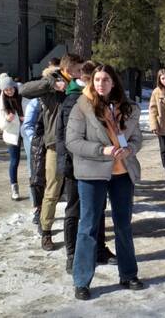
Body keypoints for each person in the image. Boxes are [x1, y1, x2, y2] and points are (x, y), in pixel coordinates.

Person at [66, 64, 144, 300]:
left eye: (106, 79)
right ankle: (82, 281)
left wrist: (130, 148)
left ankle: (128, 274)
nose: (101, 84)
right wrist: (103, 150)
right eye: (97, 80)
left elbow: (137, 137)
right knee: (88, 226)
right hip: (92, 173)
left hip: (122, 174)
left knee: (124, 224)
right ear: (92, 82)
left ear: (114, 82)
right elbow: (73, 142)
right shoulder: (82, 107)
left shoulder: (126, 107)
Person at [56, 60, 117, 274]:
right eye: (93, 79)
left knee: (97, 209)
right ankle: (72, 254)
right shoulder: (73, 100)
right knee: (74, 209)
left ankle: (99, 249)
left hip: (95, 165)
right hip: (74, 164)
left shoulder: (100, 102)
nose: (97, 84)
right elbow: (65, 137)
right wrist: (68, 164)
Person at [20, 53, 84, 251]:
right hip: (56, 145)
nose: (80, 72)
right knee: (53, 189)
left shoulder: (78, 85)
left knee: (77, 190)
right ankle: (46, 230)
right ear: (68, 68)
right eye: (78, 69)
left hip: (76, 144)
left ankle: (77, 229)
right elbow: (24, 89)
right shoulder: (52, 81)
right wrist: (51, 85)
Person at [0, 76, 26, 201]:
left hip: (25, 132)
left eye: (11, 88)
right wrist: (8, 120)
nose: (9, 91)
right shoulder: (1, 105)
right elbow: (2, 126)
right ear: (3, 90)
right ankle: (14, 188)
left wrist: (25, 118)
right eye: (6, 90)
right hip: (12, 136)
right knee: (15, 161)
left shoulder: (22, 97)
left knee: (34, 159)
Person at [21, 97, 43, 226]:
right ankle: (37, 209)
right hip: (36, 143)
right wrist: (36, 141)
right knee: (35, 174)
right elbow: (27, 125)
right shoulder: (36, 102)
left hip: (53, 143)